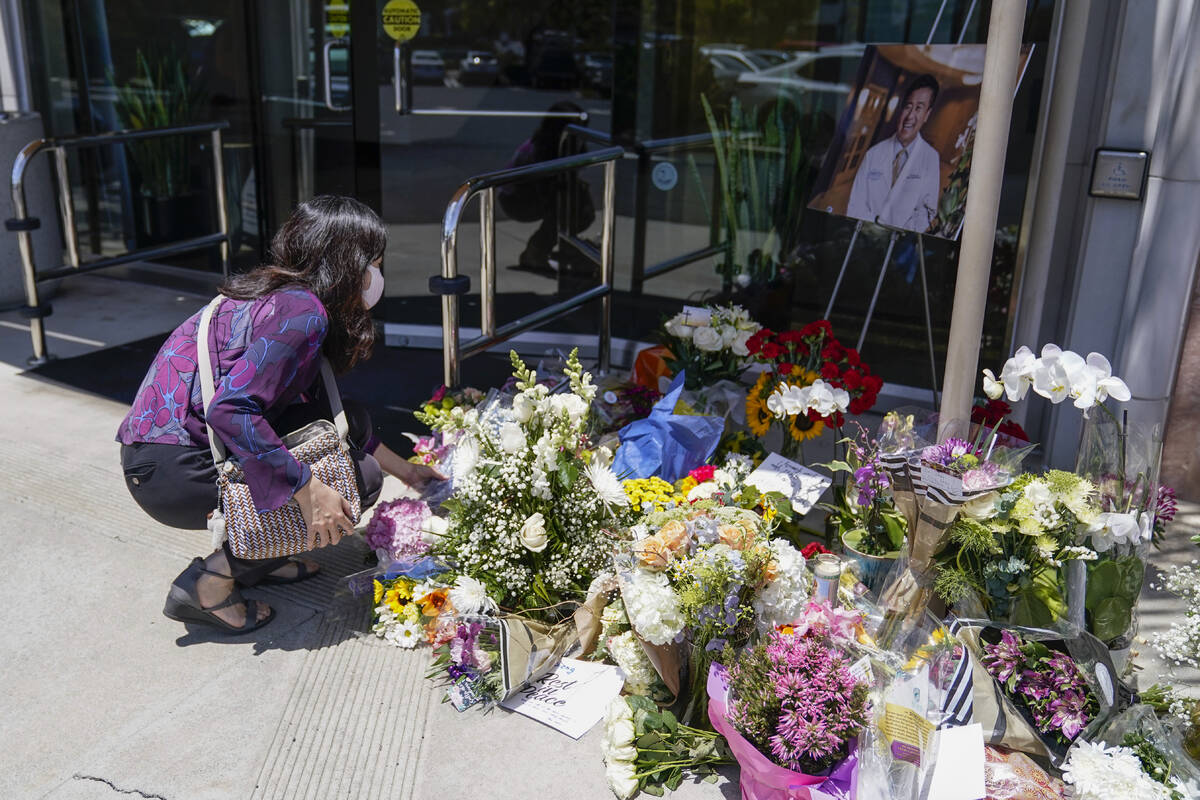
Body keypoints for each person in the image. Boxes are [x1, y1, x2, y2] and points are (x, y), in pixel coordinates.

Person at [117, 196, 443, 634]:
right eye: (374, 263)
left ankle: (260, 556)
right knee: (354, 481)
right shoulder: (304, 314)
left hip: (156, 458)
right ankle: (210, 584)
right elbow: (230, 411)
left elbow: (336, 418)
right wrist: (308, 491)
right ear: (348, 264)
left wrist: (408, 472)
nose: (376, 277)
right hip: (174, 471)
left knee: (344, 433)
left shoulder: (281, 294)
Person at [498, 100, 595, 271]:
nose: (581, 136)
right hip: (517, 198)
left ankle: (564, 246)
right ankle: (536, 251)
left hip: (538, 190)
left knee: (578, 209)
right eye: (577, 130)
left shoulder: (567, 145)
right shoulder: (541, 149)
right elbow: (544, 187)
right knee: (565, 210)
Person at [845, 74, 942, 232]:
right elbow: (854, 205)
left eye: (918, 108)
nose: (910, 116)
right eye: (908, 106)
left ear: (927, 115)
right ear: (901, 109)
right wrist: (875, 226)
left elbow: (927, 213)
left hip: (900, 242)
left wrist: (898, 232)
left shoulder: (931, 158)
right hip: (864, 234)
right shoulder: (873, 154)